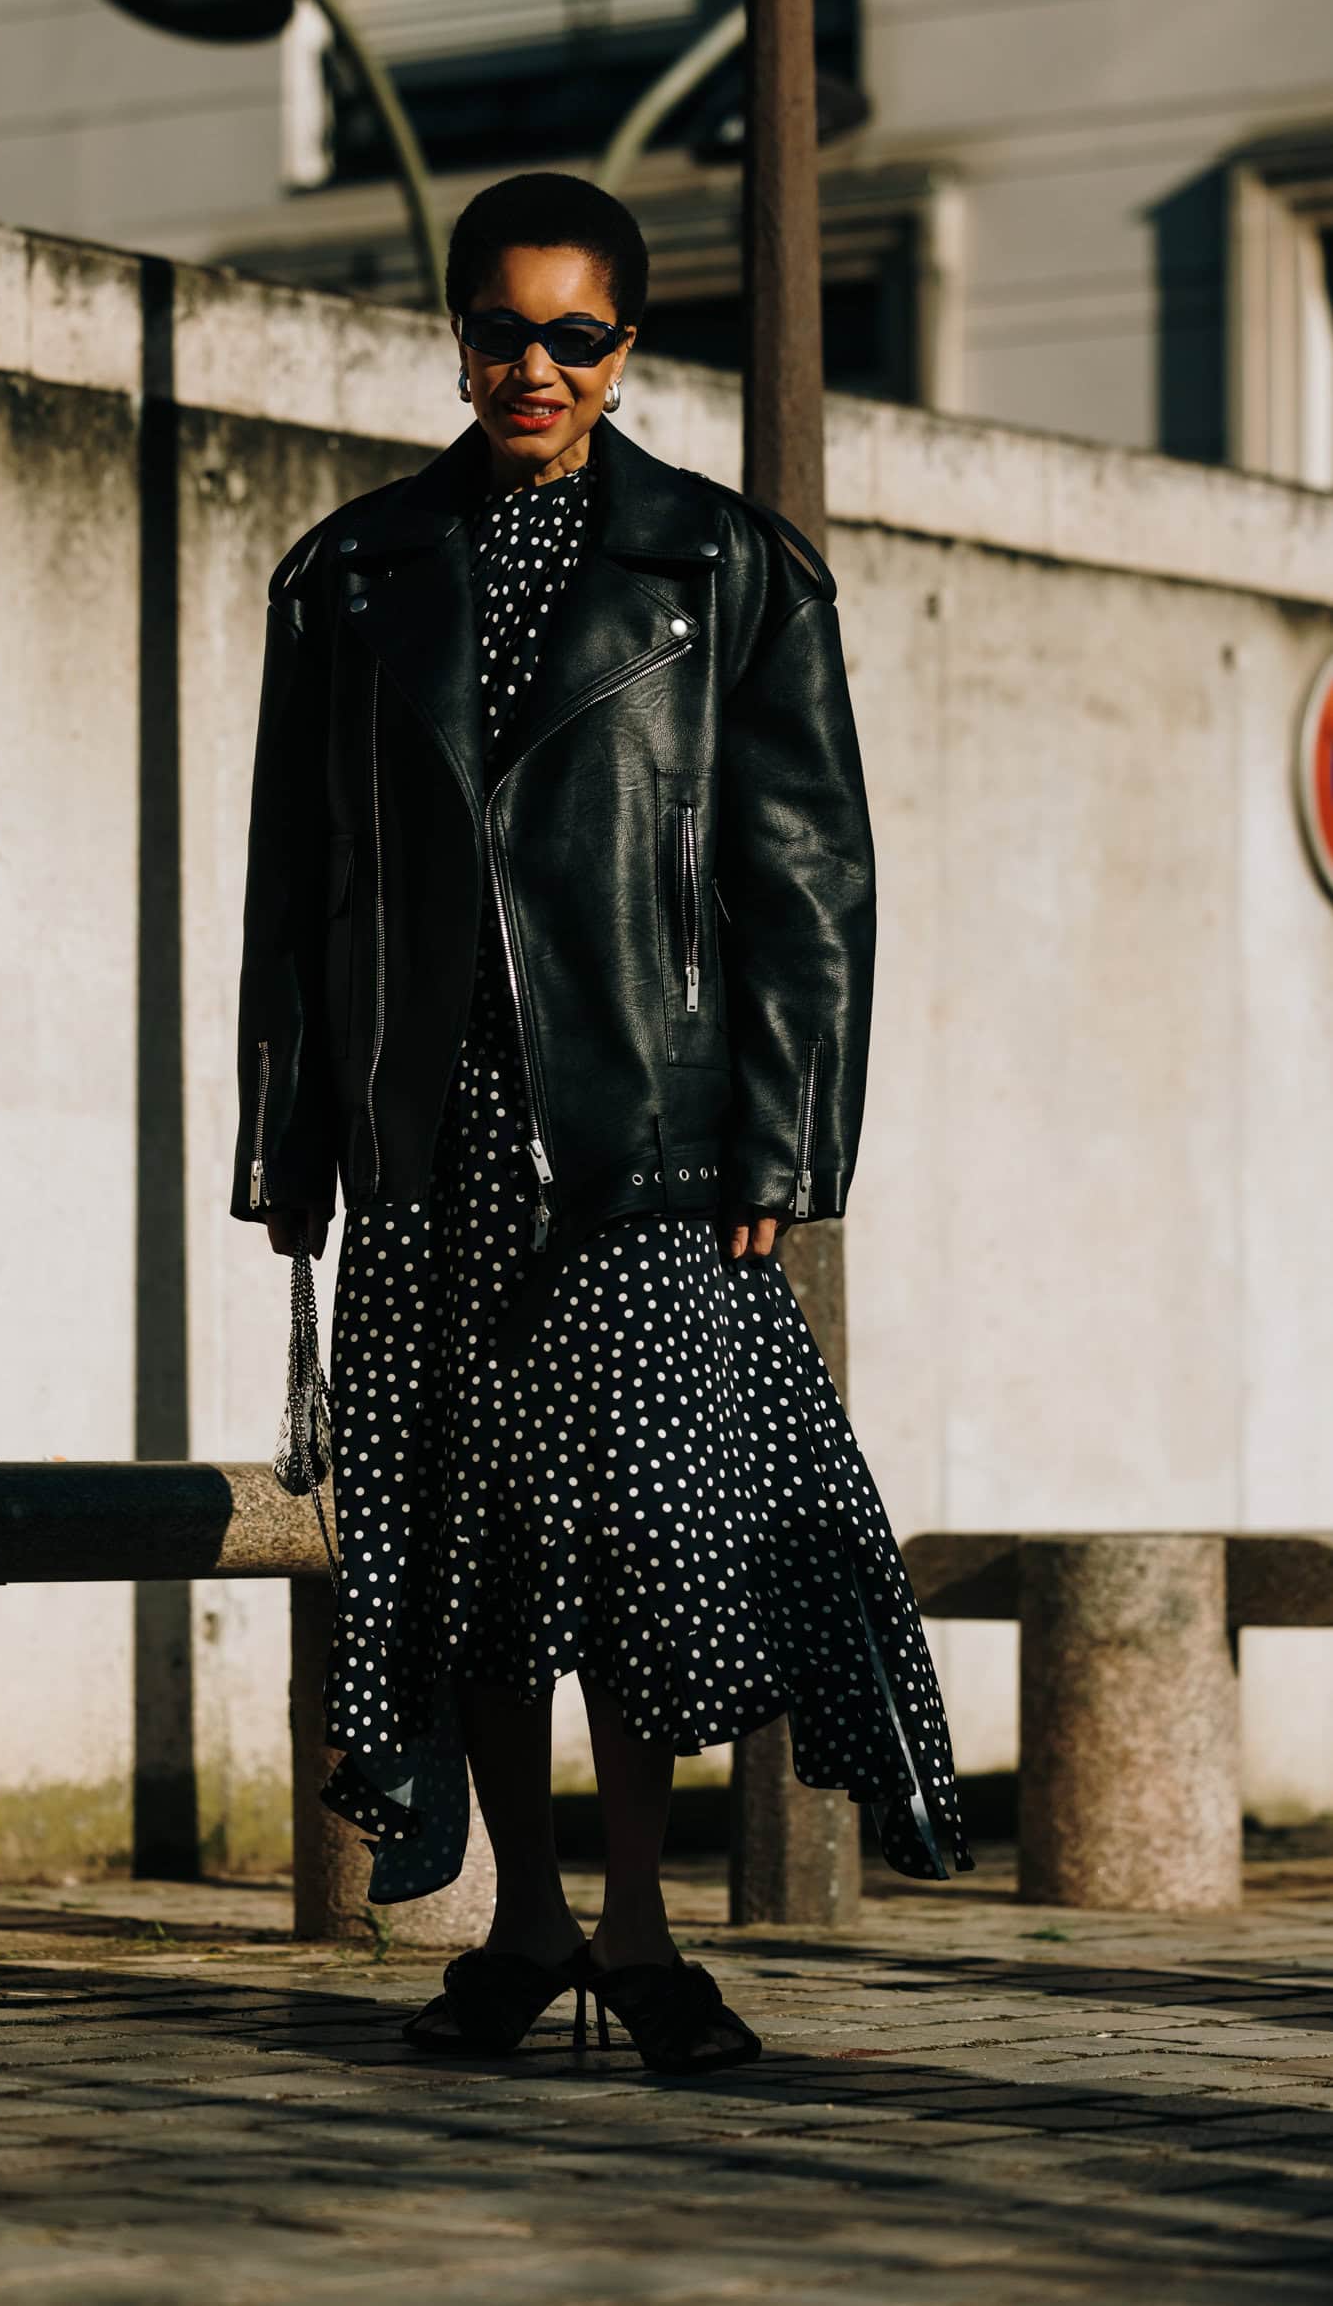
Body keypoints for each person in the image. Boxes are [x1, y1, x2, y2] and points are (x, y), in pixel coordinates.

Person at [232, 170, 971, 2074]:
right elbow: (295, 881)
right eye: (502, 330)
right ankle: (527, 1923)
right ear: (458, 334)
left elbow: (807, 879)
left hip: (648, 1141)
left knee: (643, 1546)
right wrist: (286, 1141)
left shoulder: (727, 570)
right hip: (426, 1139)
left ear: (628, 347)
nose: (535, 367)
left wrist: (787, 1143)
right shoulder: (349, 575)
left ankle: (640, 1930)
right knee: (469, 1544)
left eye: (575, 335)